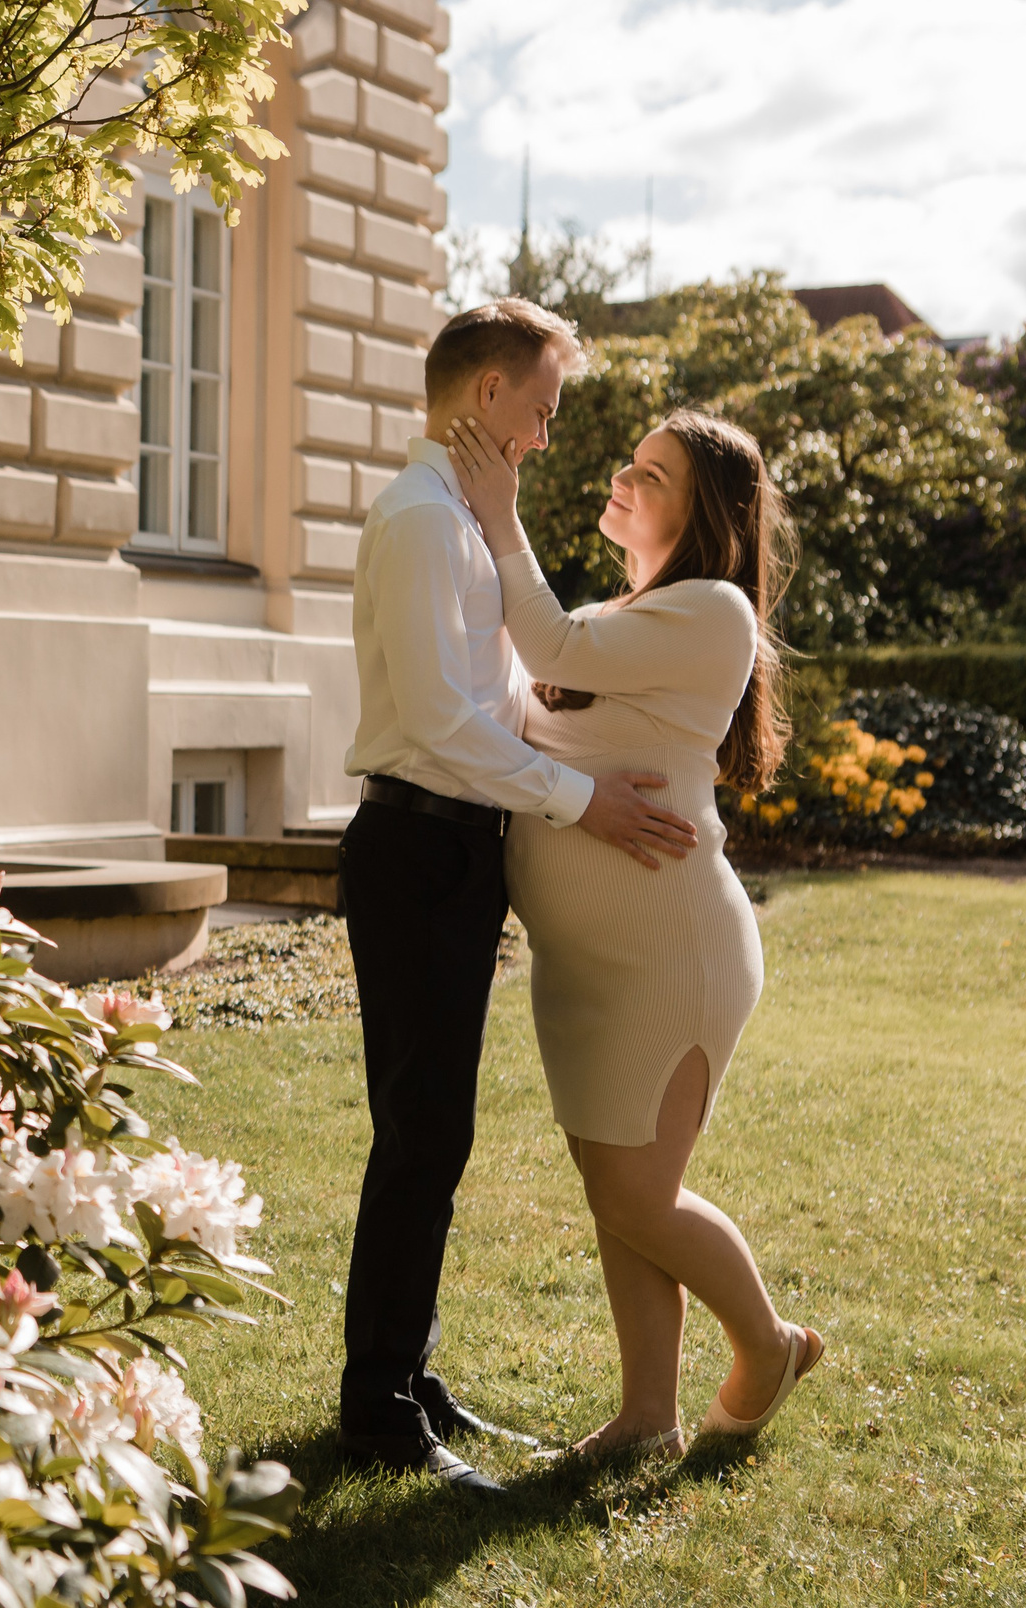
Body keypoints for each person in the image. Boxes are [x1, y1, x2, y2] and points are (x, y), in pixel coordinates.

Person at [336, 298, 698, 1495]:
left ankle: (406, 1373)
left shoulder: (459, 519)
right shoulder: (418, 523)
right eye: (539, 409)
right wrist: (579, 801)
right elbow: (440, 720)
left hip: (456, 851)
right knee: (420, 1129)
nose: (543, 434)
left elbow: (502, 697)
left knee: (435, 1127)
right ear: (486, 393)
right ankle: (378, 1408)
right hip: (416, 848)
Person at [440, 406, 823, 1460]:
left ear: (705, 516)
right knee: (619, 1192)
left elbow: (549, 644)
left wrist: (498, 514)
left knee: (636, 1192)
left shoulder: (713, 609)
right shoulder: (626, 614)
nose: (623, 477)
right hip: (585, 965)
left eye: (652, 474)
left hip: (669, 954)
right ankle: (649, 1414)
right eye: (632, 463)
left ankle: (769, 1344)